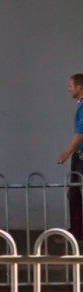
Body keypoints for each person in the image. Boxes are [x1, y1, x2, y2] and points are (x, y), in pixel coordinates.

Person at [57, 73, 83, 239]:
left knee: (74, 192)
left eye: (70, 86)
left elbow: (80, 132)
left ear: (80, 87)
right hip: (79, 155)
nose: (68, 89)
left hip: (81, 155)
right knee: (74, 192)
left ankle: (77, 231)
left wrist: (65, 154)